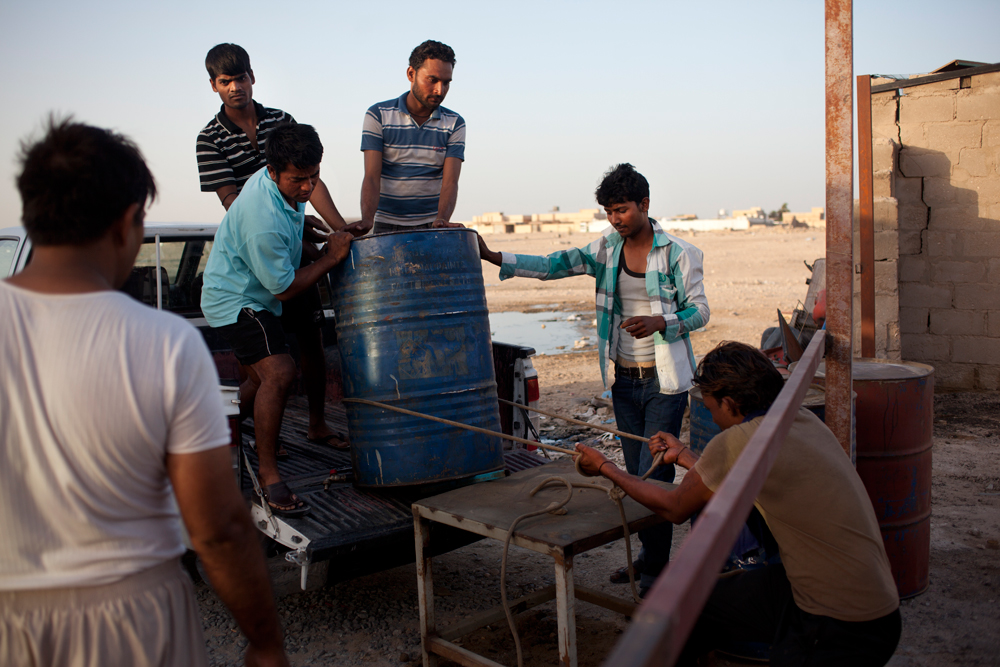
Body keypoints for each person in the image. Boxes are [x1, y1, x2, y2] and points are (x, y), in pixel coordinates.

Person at [0, 119, 288, 667]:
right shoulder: (164, 345)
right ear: (129, 223)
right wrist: (265, 641)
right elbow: (219, 529)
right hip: (133, 623)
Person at [575, 341, 902, 666]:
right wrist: (689, 457)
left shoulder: (737, 440)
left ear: (730, 403)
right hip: (872, 606)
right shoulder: (800, 419)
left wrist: (606, 468)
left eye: (712, 409)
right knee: (689, 608)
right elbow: (743, 468)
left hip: (842, 624)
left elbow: (675, 507)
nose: (713, 420)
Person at [478, 163, 710, 596]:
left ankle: (658, 573)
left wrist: (663, 321)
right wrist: (497, 258)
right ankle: (649, 558)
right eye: (608, 212)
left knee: (653, 477)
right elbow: (555, 264)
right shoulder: (606, 248)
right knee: (636, 476)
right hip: (623, 381)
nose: (615, 219)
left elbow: (701, 311)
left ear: (644, 204)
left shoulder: (679, 253)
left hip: (665, 382)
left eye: (621, 210)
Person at [196, 42, 348, 449]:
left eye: (241, 77)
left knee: (312, 340)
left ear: (252, 77)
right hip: (259, 251)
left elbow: (308, 180)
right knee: (265, 371)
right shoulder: (209, 138)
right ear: (214, 86)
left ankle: (317, 424)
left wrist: (340, 230)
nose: (235, 87)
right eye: (225, 81)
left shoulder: (281, 121)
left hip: (285, 236)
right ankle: (253, 437)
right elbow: (234, 204)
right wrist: (289, 227)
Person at [201, 123, 352, 517]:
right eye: (298, 180)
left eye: (313, 177)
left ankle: (221, 433)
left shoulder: (280, 184)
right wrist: (330, 257)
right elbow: (284, 288)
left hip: (256, 290)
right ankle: (268, 476)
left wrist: (302, 223)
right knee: (278, 372)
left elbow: (293, 210)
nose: (307, 188)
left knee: (259, 378)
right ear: (272, 172)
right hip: (235, 298)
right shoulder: (260, 219)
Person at [354, 40, 466, 235]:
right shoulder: (378, 115)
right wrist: (367, 220)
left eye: (446, 82)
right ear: (411, 74)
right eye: (432, 80)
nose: (440, 90)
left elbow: (450, 182)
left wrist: (442, 220)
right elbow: (372, 177)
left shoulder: (455, 123)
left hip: (432, 225)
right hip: (385, 224)